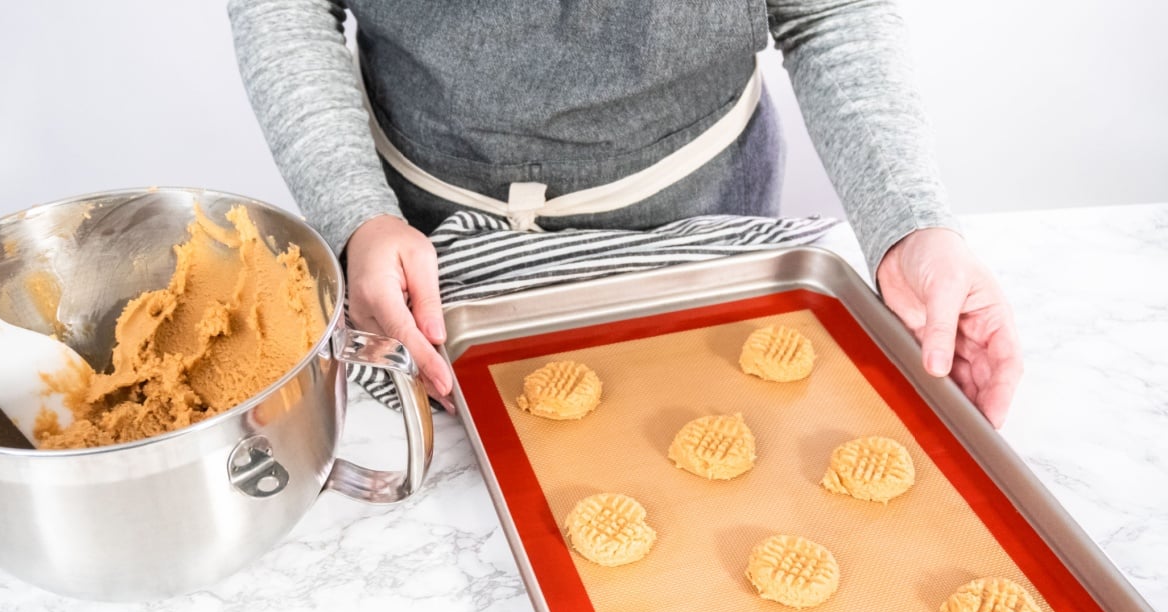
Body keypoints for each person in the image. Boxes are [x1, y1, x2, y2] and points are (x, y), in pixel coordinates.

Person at [228, 0, 1022, 427]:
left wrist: (910, 222)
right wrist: (354, 214)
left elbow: (830, 12)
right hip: (420, 250)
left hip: (705, 229)